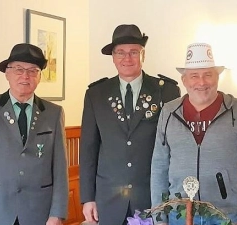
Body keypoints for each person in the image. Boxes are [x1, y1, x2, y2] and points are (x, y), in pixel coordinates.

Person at [79, 24, 180, 225]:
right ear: (113, 57)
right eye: (121, 53)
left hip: (152, 197)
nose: (127, 58)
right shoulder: (96, 94)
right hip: (108, 199)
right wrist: (87, 198)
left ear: (143, 55)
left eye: (134, 52)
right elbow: (89, 149)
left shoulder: (166, 91)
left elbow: (175, 148)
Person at [150, 43, 237, 225]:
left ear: (217, 77)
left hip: (225, 216)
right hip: (178, 216)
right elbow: (159, 167)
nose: (201, 82)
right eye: (194, 76)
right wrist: (160, 218)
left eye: (208, 75)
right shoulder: (168, 112)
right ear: (184, 80)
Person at [0, 43, 68, 225]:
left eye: (33, 70)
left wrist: (57, 213)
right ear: (7, 73)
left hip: (40, 211)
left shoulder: (54, 113)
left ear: (39, 76)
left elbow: (60, 168)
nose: (25, 76)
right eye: (18, 69)